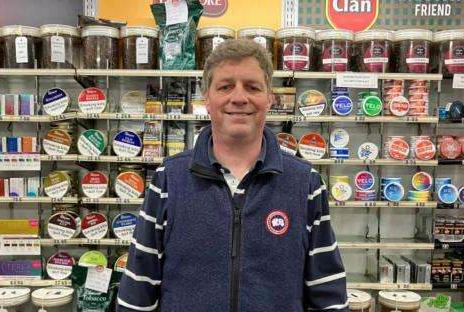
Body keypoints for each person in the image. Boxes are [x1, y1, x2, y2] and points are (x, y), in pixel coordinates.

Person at [117, 39, 348, 312]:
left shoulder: (305, 183)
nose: (239, 98)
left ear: (269, 98)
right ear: (207, 98)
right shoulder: (169, 179)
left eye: (252, 87)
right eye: (225, 87)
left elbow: (328, 294)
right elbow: (137, 290)